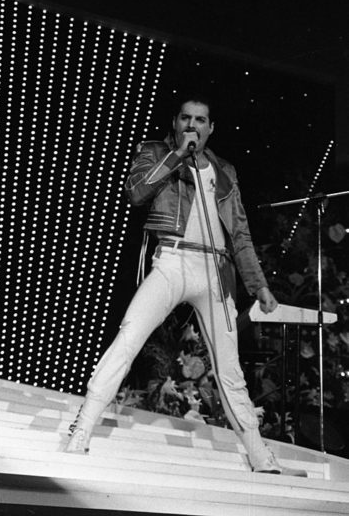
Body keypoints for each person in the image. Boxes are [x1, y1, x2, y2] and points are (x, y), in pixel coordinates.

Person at [65, 93, 306, 476]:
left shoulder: (225, 170)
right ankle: (82, 428)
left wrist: (258, 285)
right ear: (175, 122)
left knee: (230, 369)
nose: (192, 125)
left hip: (215, 270)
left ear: (211, 128)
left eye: (200, 120)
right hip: (172, 260)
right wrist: (176, 154)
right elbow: (137, 191)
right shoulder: (155, 151)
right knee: (129, 337)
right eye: (185, 118)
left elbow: (240, 233)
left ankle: (259, 454)